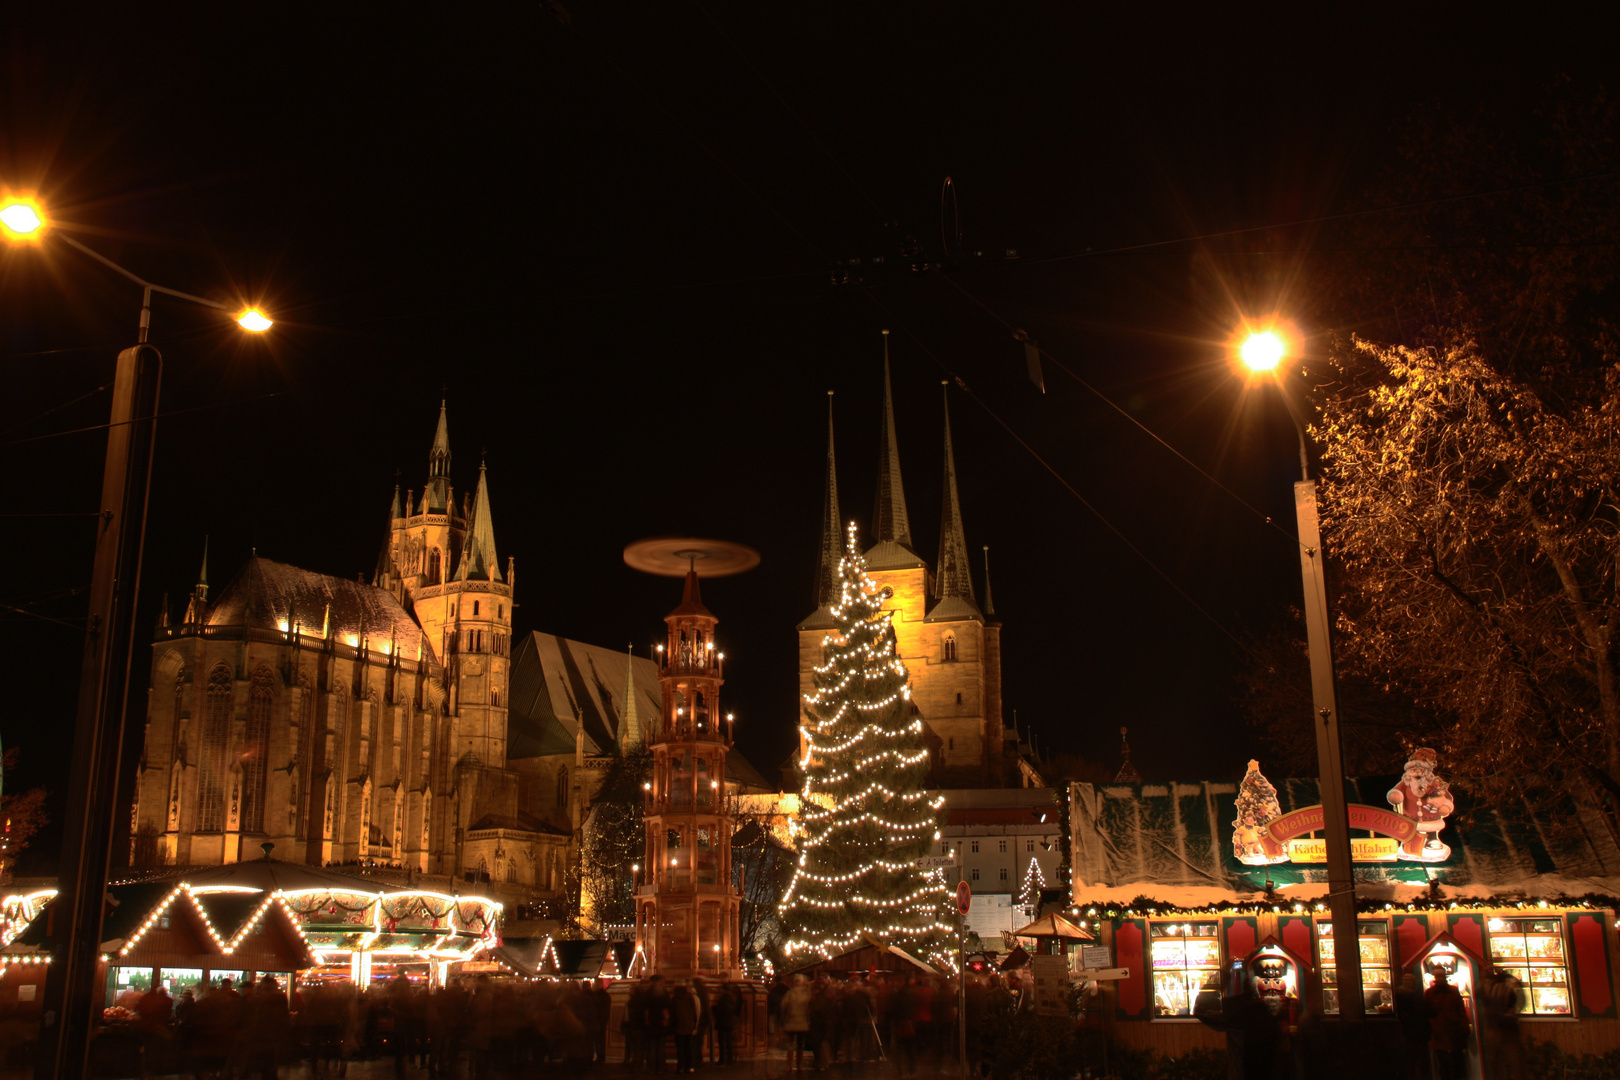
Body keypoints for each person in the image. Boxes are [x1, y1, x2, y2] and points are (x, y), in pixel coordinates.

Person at [1425, 971, 1472, 1080]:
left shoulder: (1446, 992)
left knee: (1455, 1064)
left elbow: (1461, 1011)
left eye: (1441, 976)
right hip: (1441, 1033)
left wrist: (1464, 1027)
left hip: (1451, 1032)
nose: (1440, 978)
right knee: (1445, 1064)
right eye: (1438, 976)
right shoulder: (1432, 993)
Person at [1479, 967, 1524, 1080]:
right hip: (1508, 1029)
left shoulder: (1487, 985)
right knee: (1514, 1064)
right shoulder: (1510, 984)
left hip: (1494, 1029)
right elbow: (1521, 1003)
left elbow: (1477, 993)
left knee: (1497, 1064)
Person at [1394, 973, 1434, 1080]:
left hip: (1409, 1034)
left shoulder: (1399, 996)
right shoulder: (1415, 997)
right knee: (1418, 1063)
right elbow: (1428, 1012)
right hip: (1417, 1034)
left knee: (1410, 1063)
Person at [781, 974, 813, 1073]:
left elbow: (783, 1005)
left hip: (794, 1021)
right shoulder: (805, 993)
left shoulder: (791, 993)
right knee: (798, 1045)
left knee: (795, 1045)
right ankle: (797, 1065)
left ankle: (792, 1065)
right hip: (799, 1022)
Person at [711, 983, 738, 1067]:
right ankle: (729, 1059)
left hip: (723, 1022)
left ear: (724, 990)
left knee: (722, 1042)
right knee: (728, 1042)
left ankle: (722, 1060)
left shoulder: (724, 998)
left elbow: (722, 1009)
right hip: (729, 1022)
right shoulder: (732, 998)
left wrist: (714, 1009)